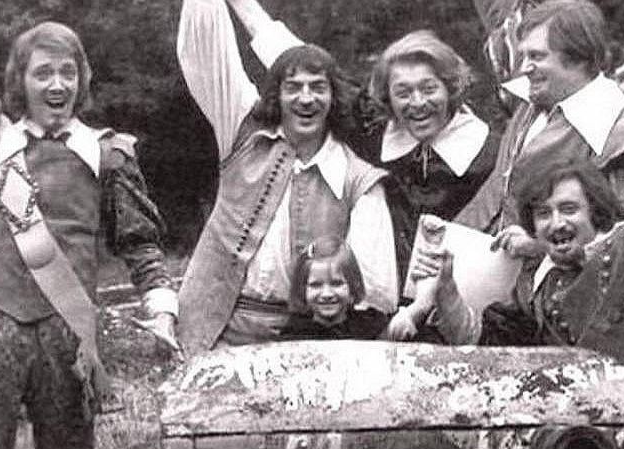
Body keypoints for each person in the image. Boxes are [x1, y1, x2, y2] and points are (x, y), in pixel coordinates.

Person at [418, 62, 624, 448]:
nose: (556, 223)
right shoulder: (535, 287)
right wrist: (447, 293)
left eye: (568, 209)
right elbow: (491, 345)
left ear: (595, 211)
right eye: (543, 214)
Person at [226, 2, 502, 341]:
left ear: (451, 87)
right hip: (373, 318)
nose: (417, 103)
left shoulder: (488, 154)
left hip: (455, 314)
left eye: (429, 89)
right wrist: (242, 6)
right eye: (403, 92)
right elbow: (297, 59)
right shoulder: (374, 131)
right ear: (388, 97)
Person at [167, 0, 398, 356]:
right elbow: (204, 50)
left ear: (334, 97)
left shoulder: (360, 181)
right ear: (276, 94)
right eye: (293, 87)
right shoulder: (243, 136)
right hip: (215, 331)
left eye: (318, 87)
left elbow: (374, 295)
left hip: (308, 342)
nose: (306, 98)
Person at [0, 22, 176, 449]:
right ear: (20, 80)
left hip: (68, 335)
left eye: (67, 72)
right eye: (43, 73)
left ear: (82, 79)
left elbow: (140, 242)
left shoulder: (106, 153)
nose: (57, 84)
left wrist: (162, 308)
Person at [456, 0, 624, 238]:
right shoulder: (529, 106)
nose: (524, 68)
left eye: (536, 56)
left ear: (578, 58)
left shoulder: (620, 134)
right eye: (524, 56)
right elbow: (496, 196)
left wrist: (539, 247)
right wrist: (447, 236)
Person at [281, 235, 390, 340]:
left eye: (336, 284)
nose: (327, 294)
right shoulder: (295, 332)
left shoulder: (371, 326)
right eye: (316, 285)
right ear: (302, 289)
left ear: (353, 285)